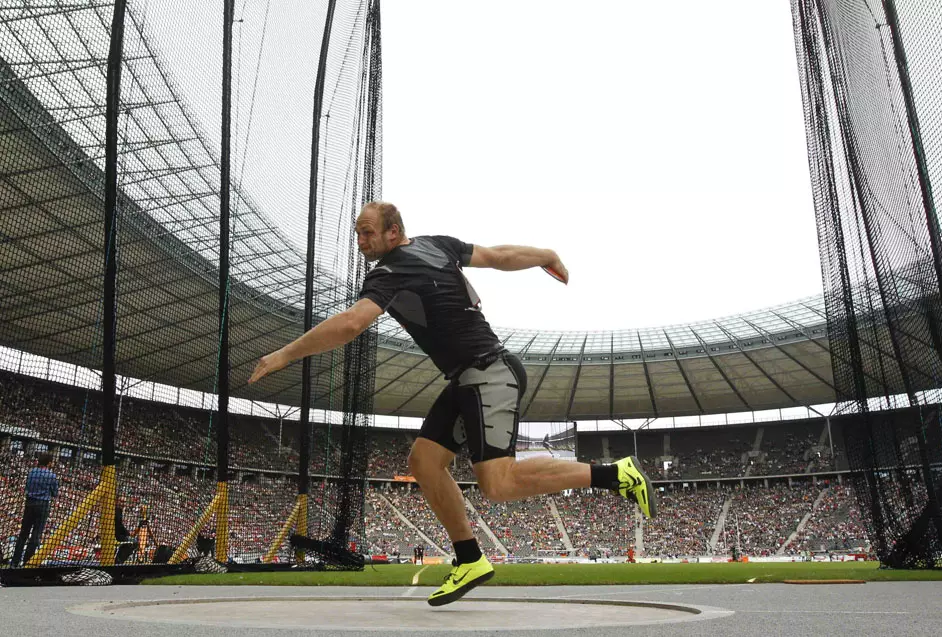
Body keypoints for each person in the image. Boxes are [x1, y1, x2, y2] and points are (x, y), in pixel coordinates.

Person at [249, 201, 657, 605]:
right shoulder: (436, 245)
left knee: (498, 483)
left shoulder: (391, 271)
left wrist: (285, 354)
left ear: (394, 232)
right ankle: (470, 558)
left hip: (488, 373)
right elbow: (498, 257)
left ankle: (615, 475)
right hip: (467, 377)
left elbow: (352, 323)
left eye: (367, 231)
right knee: (424, 463)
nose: (360, 240)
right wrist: (545, 255)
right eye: (357, 232)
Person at [11, 451, 59, 567]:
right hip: (42, 505)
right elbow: (55, 493)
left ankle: (14, 562)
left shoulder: (32, 472)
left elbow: (27, 487)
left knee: (23, 534)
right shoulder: (51, 476)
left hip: (29, 503)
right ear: (49, 463)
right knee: (36, 535)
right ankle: (27, 562)